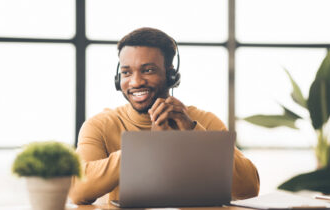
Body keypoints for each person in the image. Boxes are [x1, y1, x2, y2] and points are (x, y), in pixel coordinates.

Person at [69, 27, 260, 204]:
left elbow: (249, 189)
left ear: (171, 76)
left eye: (148, 70)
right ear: (118, 80)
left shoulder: (203, 121)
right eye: (126, 72)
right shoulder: (100, 125)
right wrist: (148, 145)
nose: (135, 82)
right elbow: (78, 191)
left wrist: (193, 135)